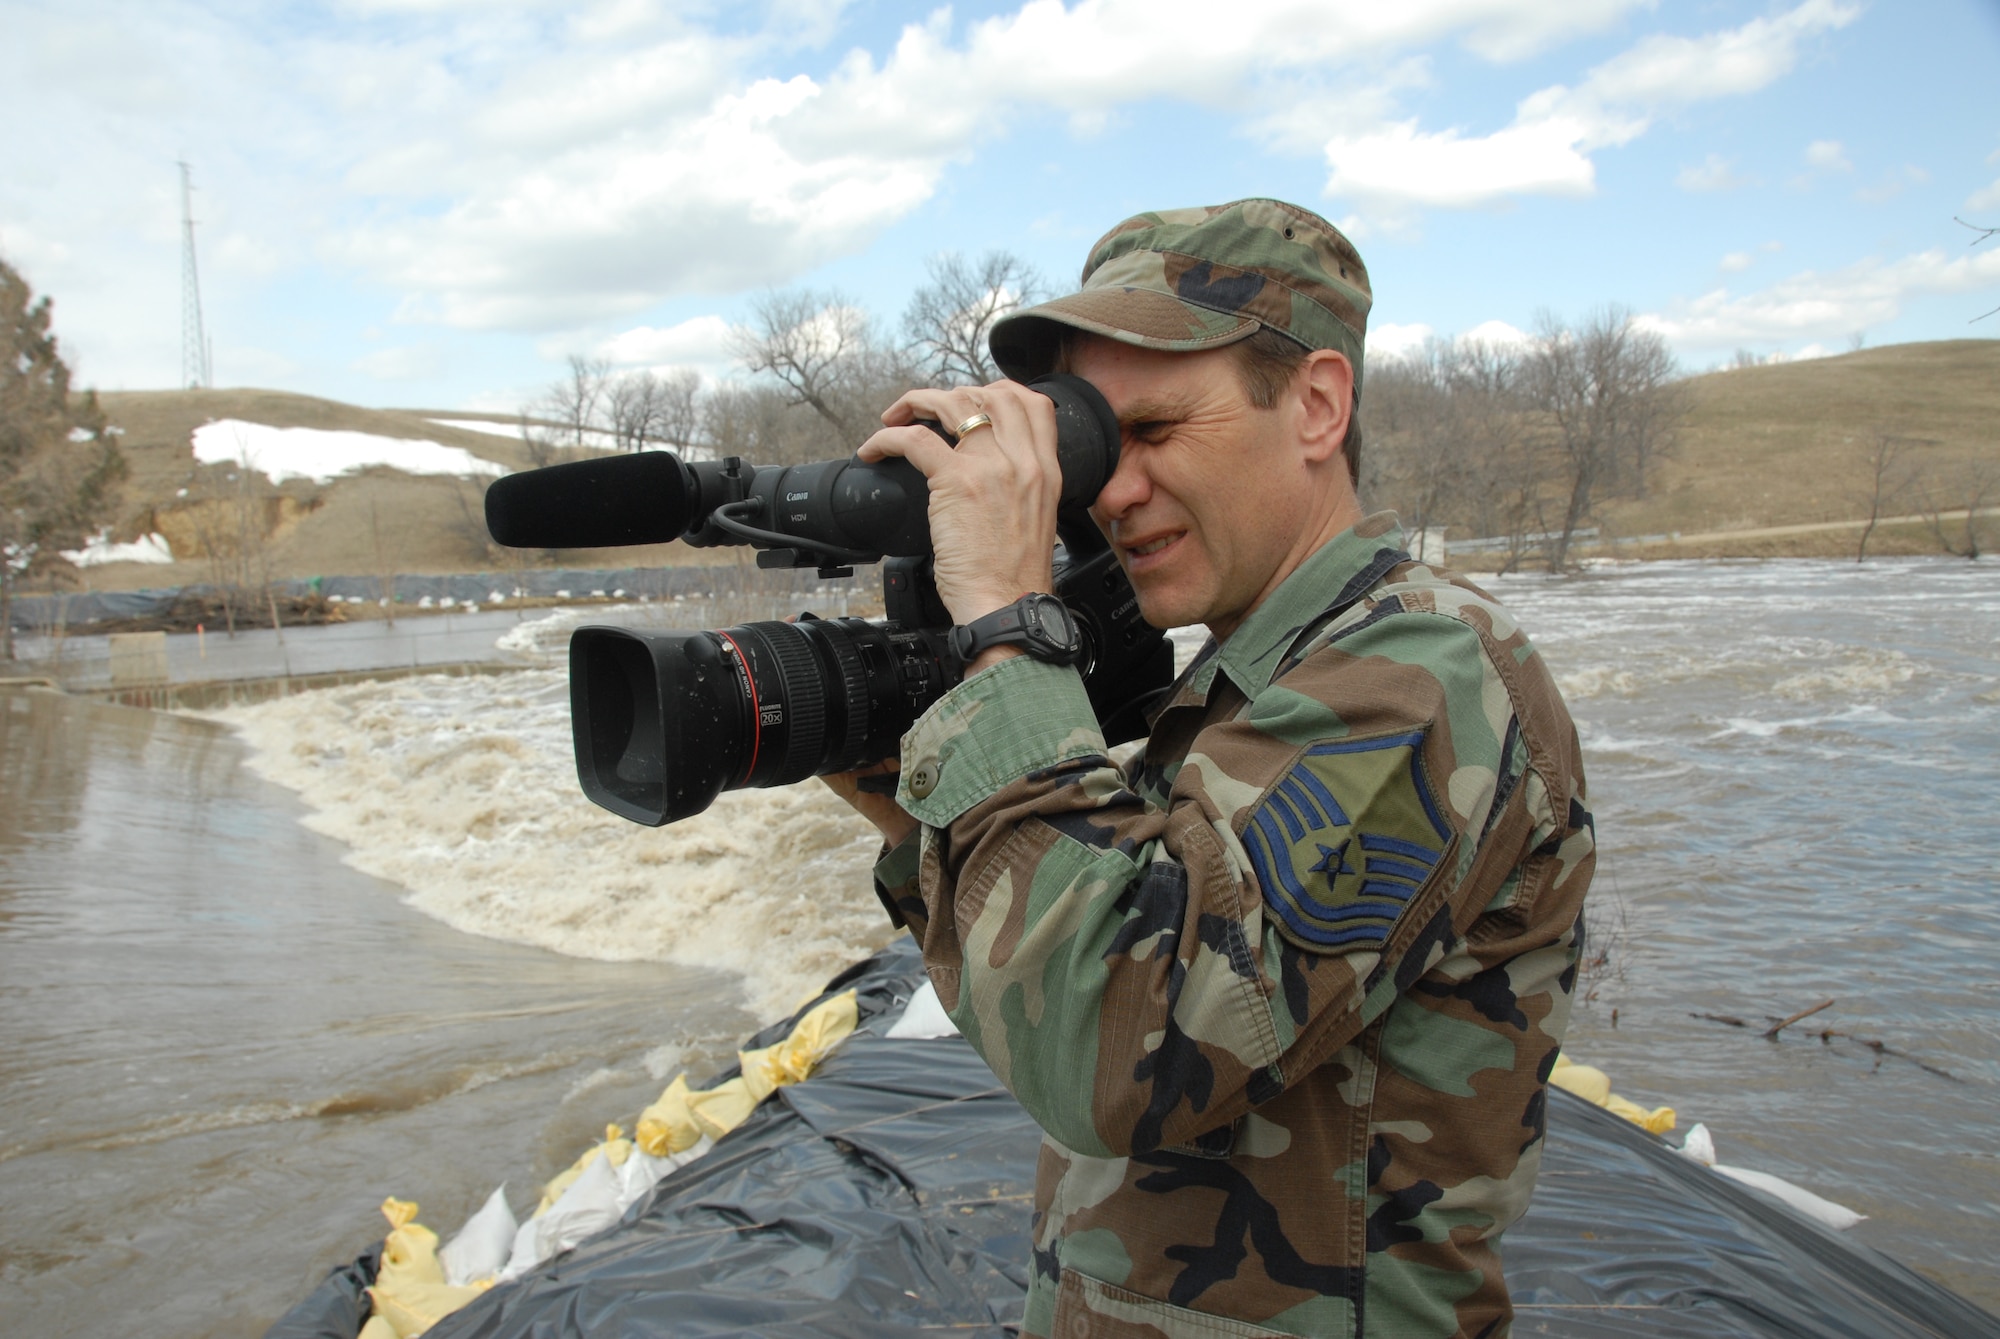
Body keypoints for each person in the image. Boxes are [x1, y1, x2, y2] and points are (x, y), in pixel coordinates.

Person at [828, 198, 1595, 1339]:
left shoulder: (1424, 673)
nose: (1110, 493)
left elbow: (1113, 1046)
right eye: (1089, 447)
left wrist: (1003, 620)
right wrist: (908, 803)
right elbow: (1042, 1016)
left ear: (1316, 406)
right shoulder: (1245, 682)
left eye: (1153, 432)